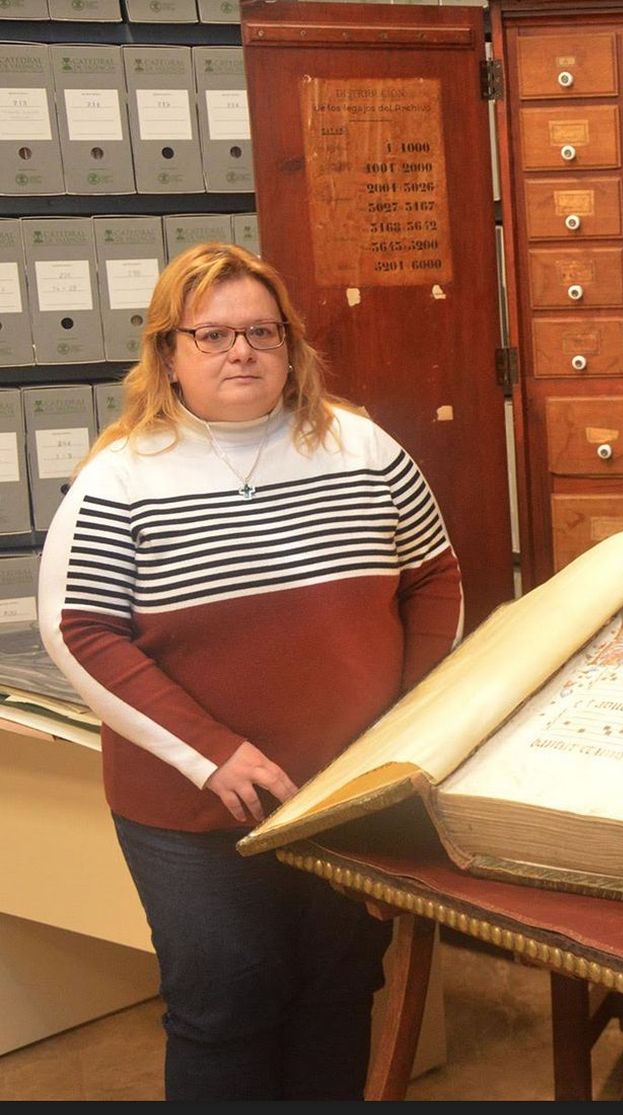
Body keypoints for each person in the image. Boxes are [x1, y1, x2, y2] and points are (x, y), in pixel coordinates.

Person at [38, 243, 464, 1100]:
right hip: (194, 810)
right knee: (225, 1003)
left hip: (343, 794)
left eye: (261, 332)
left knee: (339, 991)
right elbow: (78, 630)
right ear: (168, 353)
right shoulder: (119, 480)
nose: (242, 352)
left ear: (290, 345)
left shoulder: (362, 447)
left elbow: (435, 576)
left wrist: (404, 727)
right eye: (214, 334)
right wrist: (212, 754)